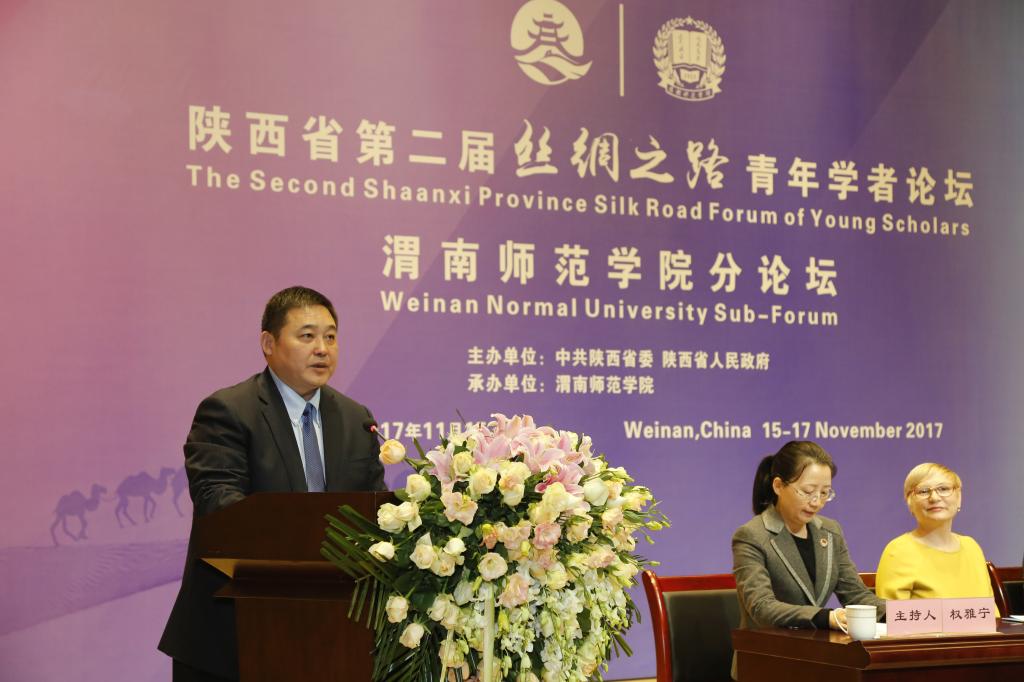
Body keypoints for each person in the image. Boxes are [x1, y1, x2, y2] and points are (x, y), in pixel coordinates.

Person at [158, 286, 386, 682]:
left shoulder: (356, 418)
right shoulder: (228, 411)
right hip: (233, 636)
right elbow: (218, 504)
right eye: (307, 336)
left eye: (331, 337)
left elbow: (375, 511)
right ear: (269, 343)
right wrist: (308, 537)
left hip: (334, 635)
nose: (322, 349)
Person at [732, 441, 883, 659]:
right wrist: (826, 618)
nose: (816, 502)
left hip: (814, 657)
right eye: (808, 491)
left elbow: (857, 595)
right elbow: (762, 608)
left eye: (825, 493)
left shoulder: (830, 531)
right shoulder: (752, 535)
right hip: (767, 659)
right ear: (778, 486)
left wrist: (907, 615)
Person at [875, 463, 995, 610]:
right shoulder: (898, 551)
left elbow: (991, 615)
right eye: (923, 491)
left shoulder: (972, 547)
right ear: (909, 502)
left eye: (943, 489)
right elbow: (892, 617)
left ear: (959, 498)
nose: (934, 497)